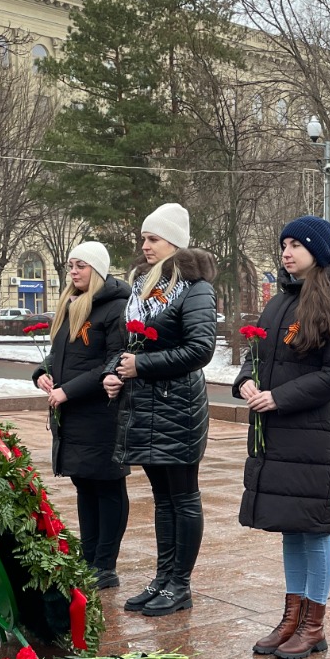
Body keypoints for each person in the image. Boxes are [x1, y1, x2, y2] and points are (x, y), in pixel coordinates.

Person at [238, 216, 330, 659]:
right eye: (284, 244)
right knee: (290, 526)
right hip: (278, 433)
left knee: (314, 528)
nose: (287, 253)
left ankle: (313, 625)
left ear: (318, 252)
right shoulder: (280, 301)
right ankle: (290, 618)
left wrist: (279, 397)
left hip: (313, 436)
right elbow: (256, 353)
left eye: (296, 245)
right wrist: (246, 381)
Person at [103, 204, 217, 617]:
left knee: (183, 497)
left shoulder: (195, 288)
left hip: (178, 407)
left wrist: (142, 366)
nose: (145, 245)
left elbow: (200, 349)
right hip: (145, 407)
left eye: (153, 238)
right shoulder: (141, 287)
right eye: (144, 238)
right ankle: (162, 578)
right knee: (163, 499)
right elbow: (123, 345)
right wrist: (114, 371)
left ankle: (180, 585)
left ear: (174, 242)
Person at [33, 242, 128, 588]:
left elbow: (113, 361)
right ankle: (89, 559)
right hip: (72, 415)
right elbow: (62, 354)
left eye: (81, 266)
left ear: (98, 270)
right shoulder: (71, 304)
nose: (74, 272)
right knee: (85, 485)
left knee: (107, 487)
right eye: (71, 265)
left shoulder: (116, 307)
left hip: (101, 413)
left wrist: (68, 390)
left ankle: (105, 565)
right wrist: (42, 373)